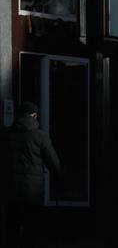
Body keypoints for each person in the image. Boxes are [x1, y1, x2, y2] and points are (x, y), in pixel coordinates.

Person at [0, 101, 62, 247]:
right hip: (33, 193)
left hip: (11, 191)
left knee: (12, 230)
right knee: (31, 231)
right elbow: (53, 163)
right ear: (34, 115)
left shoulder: (6, 135)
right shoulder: (41, 137)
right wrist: (59, 177)